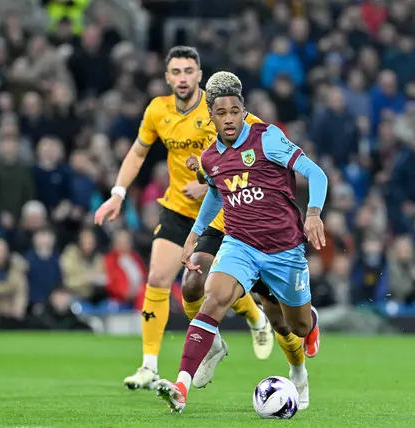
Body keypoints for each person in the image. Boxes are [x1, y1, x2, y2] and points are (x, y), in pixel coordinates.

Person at [93, 46, 273, 390]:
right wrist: (118, 193)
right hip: (177, 208)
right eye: (175, 72)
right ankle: (149, 366)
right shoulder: (157, 111)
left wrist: (209, 186)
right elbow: (138, 151)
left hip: (221, 210)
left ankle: (253, 317)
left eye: (188, 71)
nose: (182, 78)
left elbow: (260, 140)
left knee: (209, 283)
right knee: (158, 277)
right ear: (166, 77)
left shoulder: (219, 109)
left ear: (200, 75)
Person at [154, 71, 327, 413]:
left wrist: (313, 214)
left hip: (284, 251)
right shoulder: (210, 159)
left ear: (243, 111)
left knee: (294, 325)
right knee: (213, 298)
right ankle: (181, 386)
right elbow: (216, 195)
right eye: (221, 113)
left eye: (235, 111)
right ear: (211, 117)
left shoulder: (268, 138)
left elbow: (316, 173)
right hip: (239, 246)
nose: (229, 119)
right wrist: (194, 234)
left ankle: (299, 366)